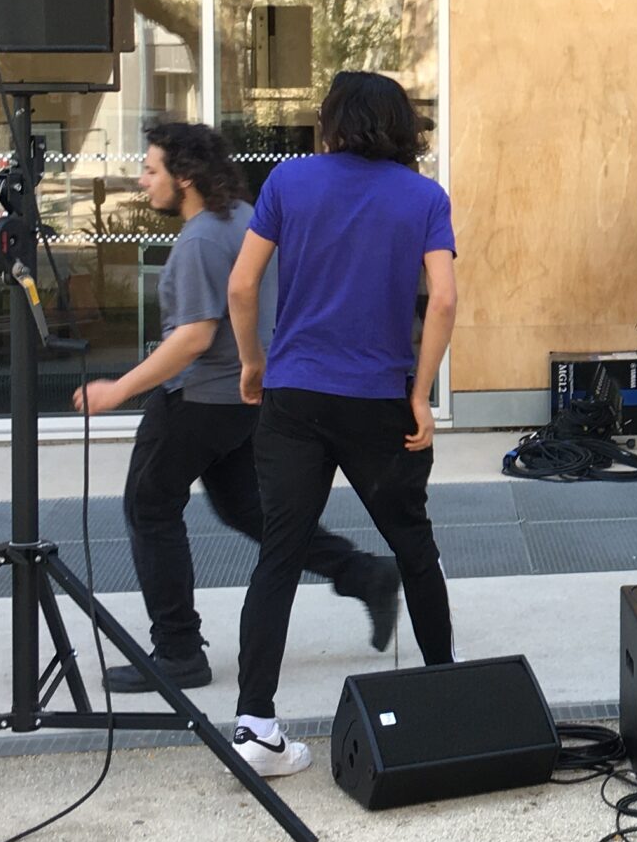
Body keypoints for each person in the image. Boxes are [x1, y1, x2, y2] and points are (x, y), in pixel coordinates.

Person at [73, 121, 399, 693]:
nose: (143, 181)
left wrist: (118, 390)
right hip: (248, 397)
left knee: (150, 506)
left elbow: (195, 336)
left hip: (201, 398)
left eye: (151, 170)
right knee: (246, 509)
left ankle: (177, 652)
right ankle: (364, 572)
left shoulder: (200, 238)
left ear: (186, 177)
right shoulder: (245, 219)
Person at [223, 72, 459, 779]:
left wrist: (252, 362)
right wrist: (421, 393)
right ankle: (446, 693)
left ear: (329, 121)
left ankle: (256, 726)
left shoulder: (288, 184)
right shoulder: (423, 197)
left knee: (279, 554)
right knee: (413, 546)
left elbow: (240, 285)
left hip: (294, 394)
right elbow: (442, 301)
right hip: (378, 400)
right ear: (401, 127)